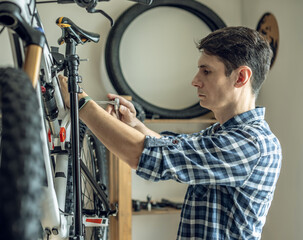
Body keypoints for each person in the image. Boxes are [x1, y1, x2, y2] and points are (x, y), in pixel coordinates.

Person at [59, 26, 282, 240]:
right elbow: (172, 146)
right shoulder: (220, 134)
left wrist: (81, 104)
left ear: (241, 77)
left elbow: (145, 155)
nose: (195, 81)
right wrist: (134, 125)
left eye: (206, 71)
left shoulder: (251, 143)